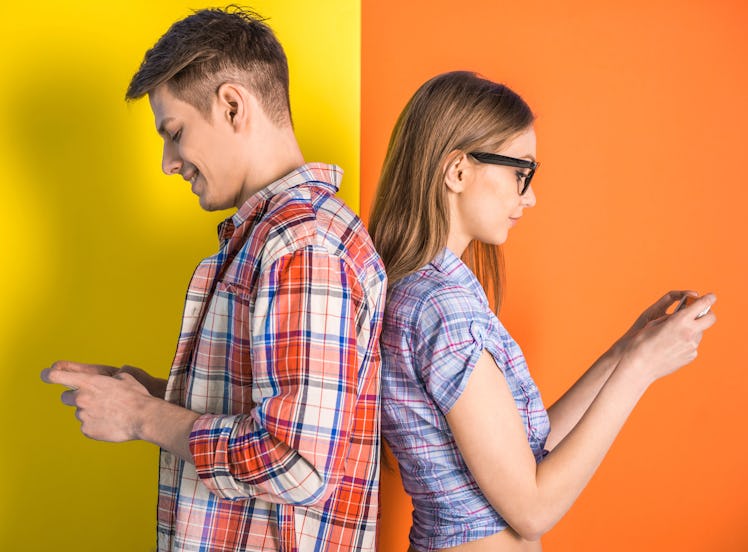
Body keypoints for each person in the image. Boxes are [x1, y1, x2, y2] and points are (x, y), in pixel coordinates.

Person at [41, 7, 386, 551]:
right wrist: (151, 393)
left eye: (175, 133)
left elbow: (296, 461)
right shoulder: (274, 239)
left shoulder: (303, 246)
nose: (167, 162)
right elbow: (268, 410)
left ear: (231, 106)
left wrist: (141, 417)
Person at [368, 71, 716, 552]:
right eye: (520, 172)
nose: (529, 196)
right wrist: (640, 370)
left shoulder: (427, 290)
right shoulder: (442, 307)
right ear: (459, 172)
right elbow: (532, 509)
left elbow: (524, 453)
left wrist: (628, 348)